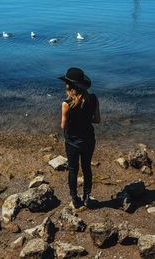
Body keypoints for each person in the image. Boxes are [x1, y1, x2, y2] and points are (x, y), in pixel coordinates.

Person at [58, 67, 100, 208]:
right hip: (88, 140)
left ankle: (75, 198)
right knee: (86, 168)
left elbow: (63, 126)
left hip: (72, 142)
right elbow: (97, 120)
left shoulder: (66, 104)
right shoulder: (93, 99)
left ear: (70, 86)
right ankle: (87, 197)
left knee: (73, 169)